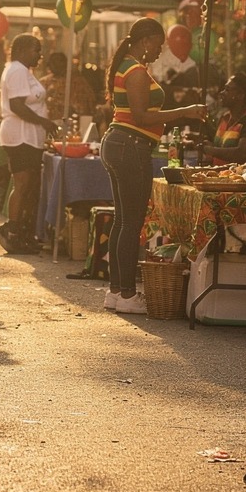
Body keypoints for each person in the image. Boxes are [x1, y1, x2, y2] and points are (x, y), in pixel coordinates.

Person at [102, 18, 207, 313]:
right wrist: (186, 111)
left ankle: (116, 292)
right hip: (130, 146)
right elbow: (140, 117)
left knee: (123, 221)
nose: (161, 50)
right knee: (130, 222)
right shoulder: (135, 71)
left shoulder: (127, 65)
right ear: (146, 40)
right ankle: (125, 294)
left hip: (120, 144)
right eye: (158, 44)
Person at [0, 33, 55, 255]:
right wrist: (43, 122)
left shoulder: (22, 71)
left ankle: (22, 233)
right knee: (22, 183)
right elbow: (17, 105)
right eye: (35, 49)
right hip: (20, 135)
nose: (40, 54)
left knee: (29, 185)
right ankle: (10, 230)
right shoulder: (17, 69)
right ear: (21, 51)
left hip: (29, 136)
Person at [201, 73, 246, 163]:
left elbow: (243, 154)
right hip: (217, 175)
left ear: (240, 95)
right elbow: (221, 148)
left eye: (227, 90)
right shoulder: (225, 117)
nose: (221, 93)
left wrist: (211, 150)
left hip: (237, 176)